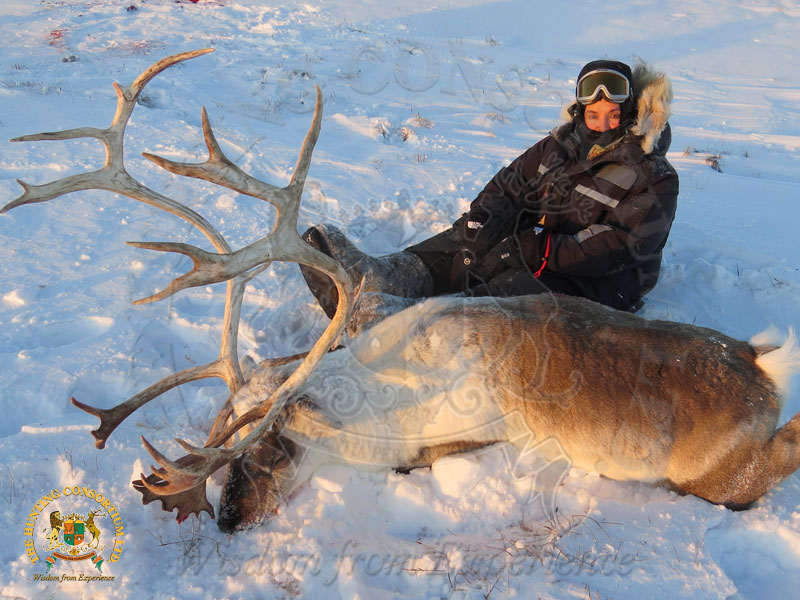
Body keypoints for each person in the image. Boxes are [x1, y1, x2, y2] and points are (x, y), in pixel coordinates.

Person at [300, 59, 678, 331]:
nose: (603, 125)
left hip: (600, 286)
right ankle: (387, 278)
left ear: (629, 112)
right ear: (580, 113)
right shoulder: (560, 144)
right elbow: (509, 185)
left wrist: (534, 249)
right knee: (471, 238)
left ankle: (402, 328)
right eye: (594, 115)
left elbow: (618, 247)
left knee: (507, 292)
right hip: (538, 240)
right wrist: (482, 222)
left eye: (613, 115)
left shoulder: (653, 174)